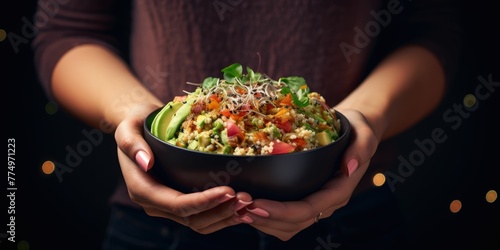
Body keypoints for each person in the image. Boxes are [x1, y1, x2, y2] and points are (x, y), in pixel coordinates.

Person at [32, 0, 462, 249]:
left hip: (354, 222)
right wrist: (135, 118)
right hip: (156, 227)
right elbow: (67, 31)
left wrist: (365, 116)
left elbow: (431, 35)